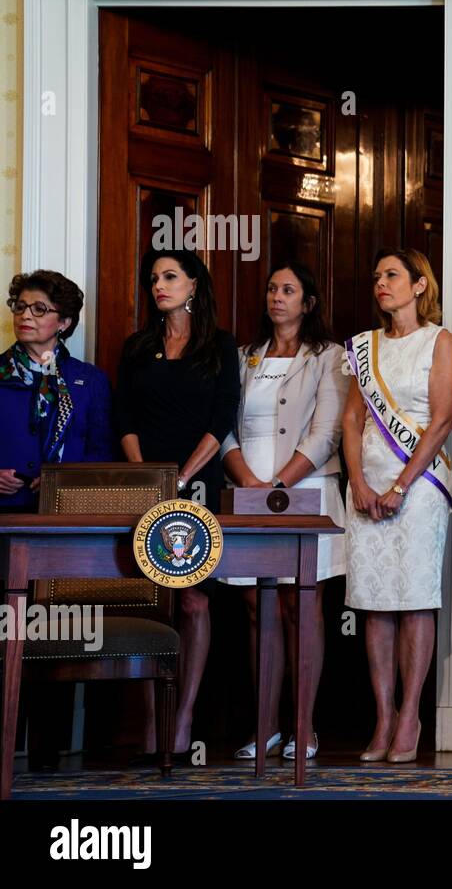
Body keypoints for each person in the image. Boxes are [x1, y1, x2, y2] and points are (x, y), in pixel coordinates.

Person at [220, 262, 347, 761]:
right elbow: (224, 426)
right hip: (247, 493)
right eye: (272, 288)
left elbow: (326, 431)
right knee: (257, 607)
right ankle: (265, 725)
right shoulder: (242, 357)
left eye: (289, 290)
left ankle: (304, 727)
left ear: (308, 302)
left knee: (303, 605)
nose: (277, 297)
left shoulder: (328, 356)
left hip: (306, 490)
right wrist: (249, 483)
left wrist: (278, 485)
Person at [116, 248, 240, 754]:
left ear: (194, 285)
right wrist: (148, 476)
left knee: (192, 599)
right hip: (144, 484)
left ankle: (184, 717)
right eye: (153, 279)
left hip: (198, 486)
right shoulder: (138, 346)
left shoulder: (219, 345)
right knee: (154, 601)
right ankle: (152, 720)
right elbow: (122, 417)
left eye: (170, 277)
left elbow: (222, 418)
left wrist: (182, 477)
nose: (159, 286)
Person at [341, 247, 452, 763]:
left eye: (392, 275)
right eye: (377, 275)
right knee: (373, 604)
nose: (381, 283)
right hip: (367, 486)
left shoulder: (439, 341)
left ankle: (410, 714)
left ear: (419, 285)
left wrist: (400, 487)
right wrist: (360, 483)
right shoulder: (362, 348)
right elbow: (349, 420)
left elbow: (443, 420)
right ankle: (382, 716)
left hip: (420, 485)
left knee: (413, 599)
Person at [0, 271, 112, 512]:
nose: (25, 315)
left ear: (64, 322)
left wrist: (65, 480)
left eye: (39, 308)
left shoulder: (90, 380)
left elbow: (100, 453)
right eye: (20, 307)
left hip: (66, 515)